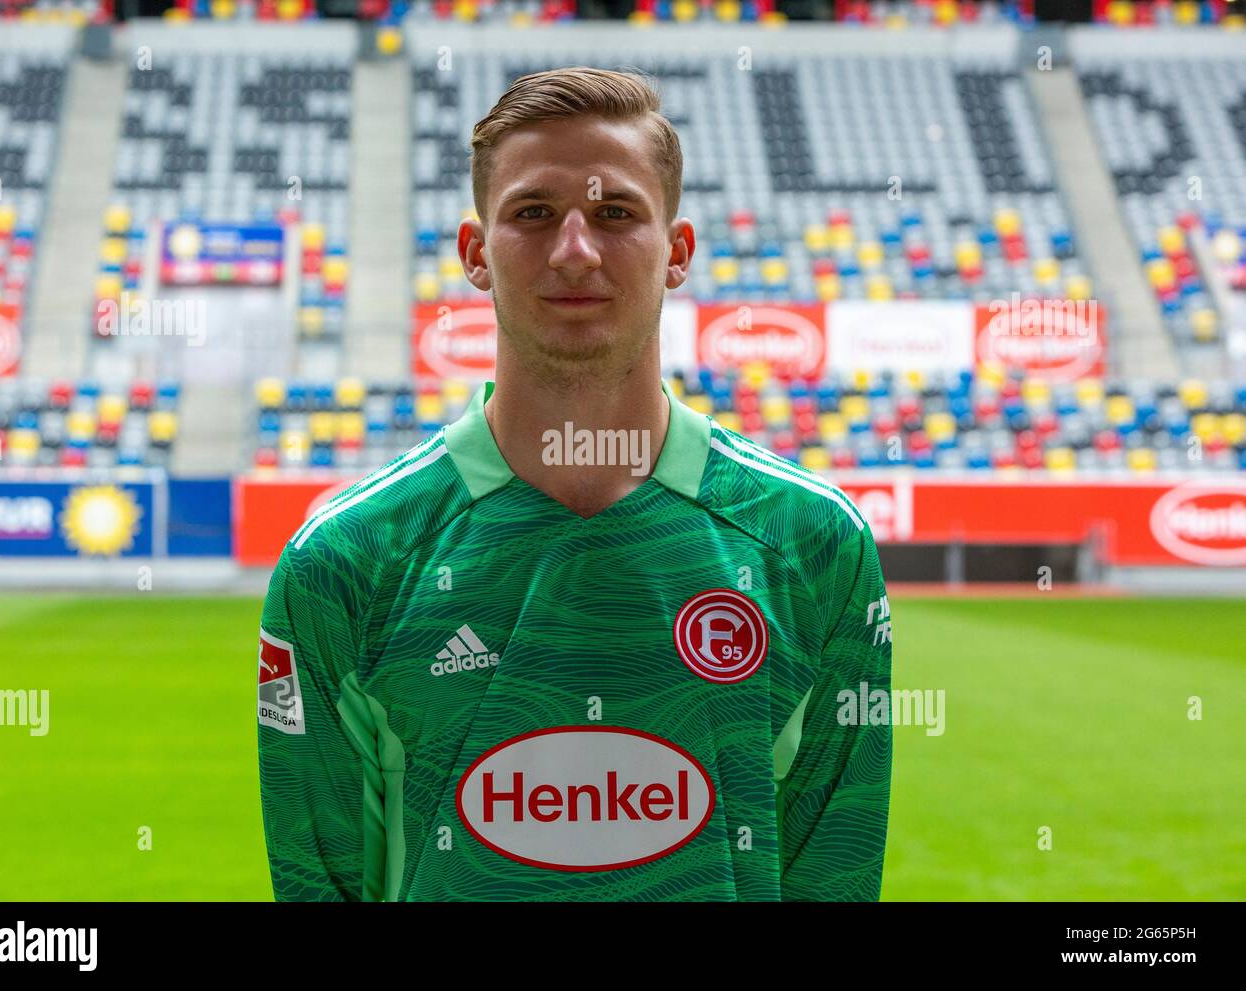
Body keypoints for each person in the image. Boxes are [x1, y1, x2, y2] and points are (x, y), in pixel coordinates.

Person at [257, 66, 892, 901]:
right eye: (533, 213)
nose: (575, 249)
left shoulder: (812, 544)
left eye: (616, 213)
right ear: (477, 254)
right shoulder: (344, 563)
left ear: (678, 252)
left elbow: (832, 878)